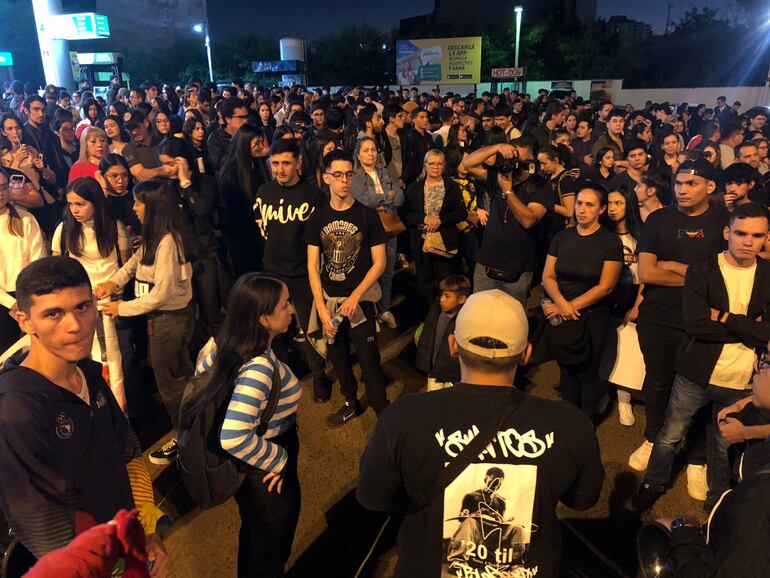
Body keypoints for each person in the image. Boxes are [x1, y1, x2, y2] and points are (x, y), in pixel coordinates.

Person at [357, 289, 604, 578]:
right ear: (526, 354)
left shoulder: (402, 416)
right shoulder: (571, 423)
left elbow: (373, 498)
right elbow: (582, 499)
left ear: (452, 346)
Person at [0, 257, 167, 577]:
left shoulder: (88, 373)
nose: (75, 325)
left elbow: (128, 451)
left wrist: (145, 531)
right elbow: (42, 525)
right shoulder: (15, 412)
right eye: (53, 314)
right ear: (24, 320)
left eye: (81, 307)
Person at [634, 202, 770, 512]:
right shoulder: (702, 270)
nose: (748, 242)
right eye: (741, 233)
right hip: (695, 373)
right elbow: (696, 325)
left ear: (766, 237)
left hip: (743, 380)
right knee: (670, 435)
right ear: (726, 233)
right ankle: (653, 483)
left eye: (757, 235)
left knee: (723, 447)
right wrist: (752, 327)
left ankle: (717, 501)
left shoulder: (768, 274)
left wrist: (724, 317)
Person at [629, 159, 727, 499]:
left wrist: (672, 266)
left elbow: (721, 283)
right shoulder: (659, 219)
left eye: (691, 184)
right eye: (679, 183)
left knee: (699, 390)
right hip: (657, 317)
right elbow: (648, 273)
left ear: (709, 187)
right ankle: (653, 436)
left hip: (700, 321)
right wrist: (694, 276)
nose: (682, 190)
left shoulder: (724, 223)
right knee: (657, 383)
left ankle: (697, 459)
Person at [195, 273, 302, 578]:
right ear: (264, 319)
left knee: (255, 539)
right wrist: (278, 460)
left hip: (250, 466)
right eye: (285, 305)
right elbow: (233, 436)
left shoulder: (219, 345)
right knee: (270, 547)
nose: (292, 310)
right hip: (265, 466)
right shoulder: (258, 368)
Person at [95, 179, 196, 465]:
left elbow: (161, 295)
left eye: (139, 202)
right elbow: (133, 264)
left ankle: (187, 441)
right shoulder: (154, 235)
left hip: (169, 321)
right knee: (179, 377)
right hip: (161, 321)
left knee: (171, 387)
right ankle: (196, 428)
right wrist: (112, 282)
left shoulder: (167, 242)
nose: (134, 207)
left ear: (153, 207)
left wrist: (121, 308)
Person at [305, 149, 388, 428]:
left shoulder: (367, 216)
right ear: (326, 177)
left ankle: (382, 410)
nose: (344, 180)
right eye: (337, 175)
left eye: (348, 174)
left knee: (370, 361)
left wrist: (355, 297)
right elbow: (313, 265)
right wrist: (320, 305)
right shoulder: (318, 218)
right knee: (338, 359)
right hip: (330, 301)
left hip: (360, 301)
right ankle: (352, 402)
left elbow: (379, 263)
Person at [253, 138, 331, 402]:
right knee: (273, 331)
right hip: (272, 272)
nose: (280, 169)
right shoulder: (263, 191)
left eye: (286, 163)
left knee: (311, 328)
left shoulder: (314, 195)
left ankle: (319, 375)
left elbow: (323, 238)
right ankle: (278, 378)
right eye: (275, 163)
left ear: (298, 163)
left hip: (303, 274)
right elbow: (262, 231)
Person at [542, 184, 624, 420]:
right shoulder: (562, 236)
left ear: (602, 209)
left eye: (590, 205)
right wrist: (561, 303)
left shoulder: (609, 242)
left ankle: (585, 424)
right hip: (563, 314)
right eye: (579, 203)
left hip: (592, 316)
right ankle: (568, 421)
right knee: (566, 370)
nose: (582, 209)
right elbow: (547, 276)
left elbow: (606, 286)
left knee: (589, 373)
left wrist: (569, 306)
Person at [51, 177, 131, 411]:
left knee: (120, 360)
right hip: (80, 305)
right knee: (87, 357)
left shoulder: (113, 226)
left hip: (112, 303)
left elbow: (124, 265)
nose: (75, 210)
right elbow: (58, 268)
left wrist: (113, 290)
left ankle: (122, 409)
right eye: (71, 204)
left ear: (95, 202)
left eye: (81, 204)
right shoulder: (64, 229)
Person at [463, 138, 553, 305]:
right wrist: (497, 147)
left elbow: (529, 220)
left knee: (509, 321)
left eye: (517, 157)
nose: (513, 162)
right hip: (487, 263)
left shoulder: (540, 186)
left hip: (517, 268)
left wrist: (508, 192)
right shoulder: (499, 175)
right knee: (480, 314)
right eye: (511, 156)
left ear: (531, 159)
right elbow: (467, 164)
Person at [350, 136, 404, 328]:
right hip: (368, 229)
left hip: (389, 226)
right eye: (366, 150)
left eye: (373, 149)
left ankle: (384, 309)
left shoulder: (383, 172)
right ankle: (371, 313)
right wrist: (386, 196)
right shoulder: (355, 176)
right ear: (358, 154)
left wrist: (383, 199)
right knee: (369, 272)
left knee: (388, 271)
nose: (371, 153)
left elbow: (400, 196)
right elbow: (366, 201)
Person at [604, 185, 645, 426]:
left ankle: (624, 398)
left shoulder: (641, 235)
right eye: (609, 203)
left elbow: (646, 274)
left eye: (618, 203)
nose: (612, 209)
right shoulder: (603, 234)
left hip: (632, 295)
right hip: (606, 294)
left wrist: (638, 304)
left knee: (627, 348)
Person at [404, 149, 467, 307]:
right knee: (423, 282)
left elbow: (461, 213)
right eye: (431, 163)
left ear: (444, 166)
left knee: (443, 282)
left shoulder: (452, 187)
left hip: (443, 243)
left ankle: (443, 314)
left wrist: (440, 220)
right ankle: (426, 316)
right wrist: (423, 218)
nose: (435, 167)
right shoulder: (414, 188)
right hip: (421, 244)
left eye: (439, 164)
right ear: (425, 165)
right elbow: (406, 215)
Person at [0, 169, 46, 351]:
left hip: (26, 296)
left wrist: (25, 298)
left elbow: (38, 262)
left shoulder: (25, 219)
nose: (0, 193)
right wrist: (10, 303)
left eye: (3, 187)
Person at [217, 123, 270, 276]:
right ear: (244, 144)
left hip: (257, 232)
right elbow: (234, 210)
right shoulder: (230, 173)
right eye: (256, 143)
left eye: (261, 142)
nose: (260, 147)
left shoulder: (257, 163)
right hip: (241, 237)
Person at [415, 274, 470, 391]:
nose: (441, 300)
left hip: (452, 375)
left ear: (461, 299)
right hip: (434, 372)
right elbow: (427, 336)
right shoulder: (436, 310)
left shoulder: (467, 319)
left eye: (447, 296)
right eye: (441, 295)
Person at [122, 111, 176, 182]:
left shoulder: (163, 142)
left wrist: (154, 172)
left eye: (137, 127)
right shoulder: (128, 149)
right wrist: (164, 169)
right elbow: (140, 174)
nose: (134, 132)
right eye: (130, 129)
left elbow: (175, 168)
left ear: (146, 123)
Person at [208, 97, 249, 170]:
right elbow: (220, 165)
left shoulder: (249, 133)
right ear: (228, 119)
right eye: (241, 117)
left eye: (246, 117)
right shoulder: (216, 138)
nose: (245, 121)